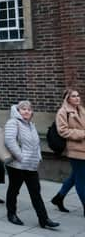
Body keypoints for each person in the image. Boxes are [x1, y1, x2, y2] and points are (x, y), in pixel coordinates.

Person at [4, 100, 59, 228]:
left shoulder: (31, 124)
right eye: (23, 109)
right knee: (14, 189)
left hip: (31, 165)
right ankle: (11, 214)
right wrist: (21, 157)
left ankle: (43, 219)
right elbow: (9, 141)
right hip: (17, 165)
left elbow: (36, 144)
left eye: (29, 109)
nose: (27, 111)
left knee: (35, 192)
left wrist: (38, 157)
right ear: (18, 111)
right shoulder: (13, 122)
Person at [54, 88, 85, 216]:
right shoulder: (63, 112)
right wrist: (83, 134)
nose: (77, 98)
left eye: (78, 96)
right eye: (73, 96)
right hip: (76, 150)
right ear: (67, 98)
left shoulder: (81, 110)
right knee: (81, 180)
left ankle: (59, 198)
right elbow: (63, 131)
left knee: (75, 176)